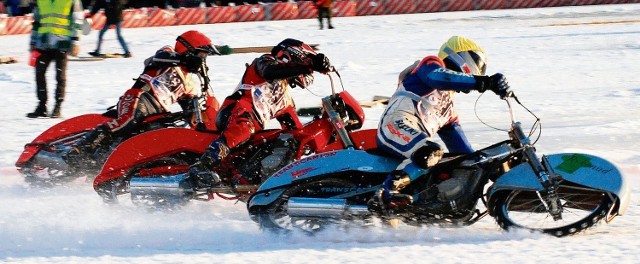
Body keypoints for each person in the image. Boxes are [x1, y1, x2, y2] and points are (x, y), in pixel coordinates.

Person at [371, 36, 511, 213]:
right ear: (462, 56)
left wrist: (488, 165)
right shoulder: (431, 64)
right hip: (396, 124)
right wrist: (484, 82)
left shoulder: (448, 109)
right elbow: (438, 77)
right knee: (431, 151)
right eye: (479, 64)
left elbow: (463, 151)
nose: (480, 71)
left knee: (445, 160)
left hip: (414, 136)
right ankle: (387, 192)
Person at [187, 38, 333, 188]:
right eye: (304, 59)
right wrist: (308, 65)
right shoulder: (264, 61)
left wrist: (321, 129)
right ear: (293, 54)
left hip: (253, 127)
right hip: (236, 112)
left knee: (284, 140)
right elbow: (270, 72)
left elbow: (296, 131)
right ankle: (202, 166)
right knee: (244, 128)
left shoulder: (285, 99)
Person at [64, 30, 223, 163]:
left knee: (160, 135)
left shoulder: (189, 83)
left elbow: (190, 109)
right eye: (202, 55)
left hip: (157, 111)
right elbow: (158, 58)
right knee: (127, 122)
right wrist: (183, 59)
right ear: (189, 50)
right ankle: (79, 150)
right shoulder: (169, 53)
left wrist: (200, 118)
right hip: (140, 97)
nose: (203, 60)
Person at [27, 0, 83, 118]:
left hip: (62, 43)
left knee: (60, 77)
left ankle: (58, 106)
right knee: (39, 74)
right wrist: (33, 41)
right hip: (43, 43)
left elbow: (77, 20)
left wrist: (75, 42)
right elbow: (37, 21)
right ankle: (42, 106)